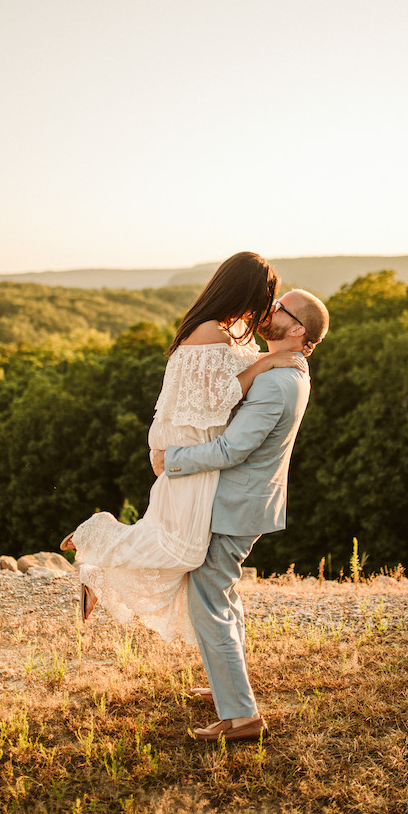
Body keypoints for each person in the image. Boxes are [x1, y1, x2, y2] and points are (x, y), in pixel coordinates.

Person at [65, 252, 306, 643]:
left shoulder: (229, 326)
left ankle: (97, 572)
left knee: (179, 544)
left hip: (196, 440)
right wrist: (268, 363)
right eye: (267, 296)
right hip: (189, 442)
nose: (267, 307)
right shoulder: (211, 329)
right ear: (246, 290)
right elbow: (222, 396)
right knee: (185, 549)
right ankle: (96, 537)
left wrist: (272, 357)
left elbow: (228, 373)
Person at [151, 287, 329, 742]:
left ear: (298, 329)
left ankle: (242, 717)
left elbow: (233, 449)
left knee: (208, 598)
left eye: (278, 308)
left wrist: (171, 459)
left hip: (237, 504)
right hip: (248, 502)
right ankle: (226, 687)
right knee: (222, 594)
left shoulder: (277, 382)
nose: (268, 311)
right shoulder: (289, 370)